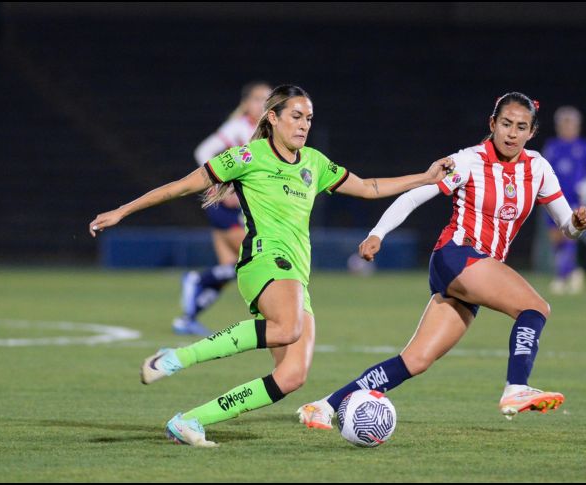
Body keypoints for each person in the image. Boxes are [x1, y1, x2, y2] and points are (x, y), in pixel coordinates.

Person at [88, 85, 455, 447]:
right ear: (273, 118)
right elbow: (182, 186)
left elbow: (369, 187)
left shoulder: (314, 163)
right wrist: (123, 210)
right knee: (286, 328)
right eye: (296, 116)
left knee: (292, 376)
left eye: (309, 118)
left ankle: (191, 420)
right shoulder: (248, 157)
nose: (303, 125)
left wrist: (425, 177)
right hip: (263, 260)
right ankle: (177, 357)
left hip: (296, 274)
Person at [297, 92, 586, 430]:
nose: (512, 133)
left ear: (531, 132)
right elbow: (415, 195)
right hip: (457, 256)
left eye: (521, 127)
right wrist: (377, 233)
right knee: (535, 308)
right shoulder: (468, 161)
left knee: (415, 360)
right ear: (493, 124)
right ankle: (516, 388)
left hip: (476, 272)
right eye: (506, 124)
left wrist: (577, 225)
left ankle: (323, 405)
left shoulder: (538, 168)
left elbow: (566, 226)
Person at [174, 81, 272, 336]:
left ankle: (188, 317)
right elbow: (204, 151)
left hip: (235, 207)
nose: (264, 103)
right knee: (250, 257)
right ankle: (196, 280)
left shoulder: (264, 131)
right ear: (247, 104)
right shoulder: (240, 127)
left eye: (268, 98)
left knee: (229, 267)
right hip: (224, 206)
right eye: (259, 99)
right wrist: (222, 182)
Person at [541, 106, 586, 295]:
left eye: (570, 124)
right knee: (556, 238)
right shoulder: (552, 146)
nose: (567, 128)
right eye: (564, 124)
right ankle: (573, 271)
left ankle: (561, 276)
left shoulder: (584, 146)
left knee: (570, 234)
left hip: (574, 199)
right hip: (552, 198)